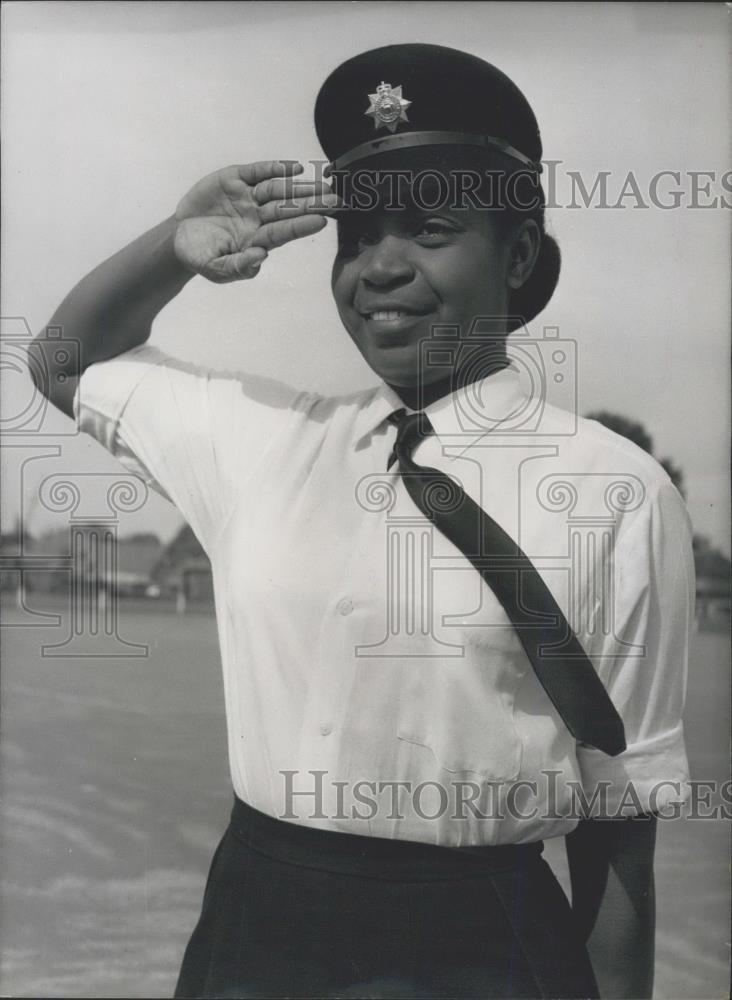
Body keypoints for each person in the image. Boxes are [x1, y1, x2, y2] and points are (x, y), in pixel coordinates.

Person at [30, 43, 693, 1000]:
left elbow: (620, 821)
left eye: (430, 230)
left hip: (482, 945)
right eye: (356, 237)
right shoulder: (266, 440)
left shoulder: (615, 490)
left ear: (517, 256)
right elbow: (61, 360)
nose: (379, 268)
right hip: (253, 927)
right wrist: (173, 239)